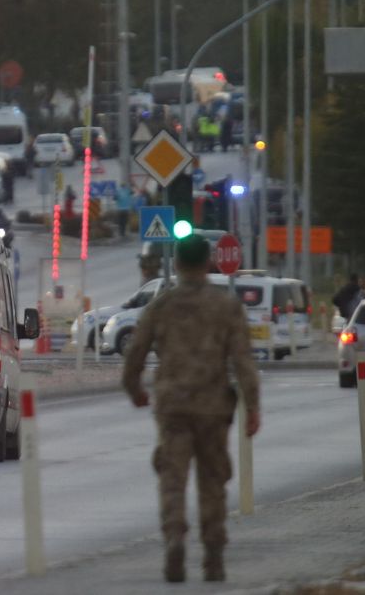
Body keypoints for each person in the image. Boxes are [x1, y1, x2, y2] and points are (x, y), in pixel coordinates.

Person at [122, 234, 261, 584]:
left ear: (179, 264)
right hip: (214, 407)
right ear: (208, 263)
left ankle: (174, 539)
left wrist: (135, 390)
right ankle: (213, 555)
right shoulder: (226, 306)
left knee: (172, 477)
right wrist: (253, 406)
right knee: (213, 482)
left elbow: (135, 354)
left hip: (172, 407)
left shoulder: (161, 305)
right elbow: (243, 361)